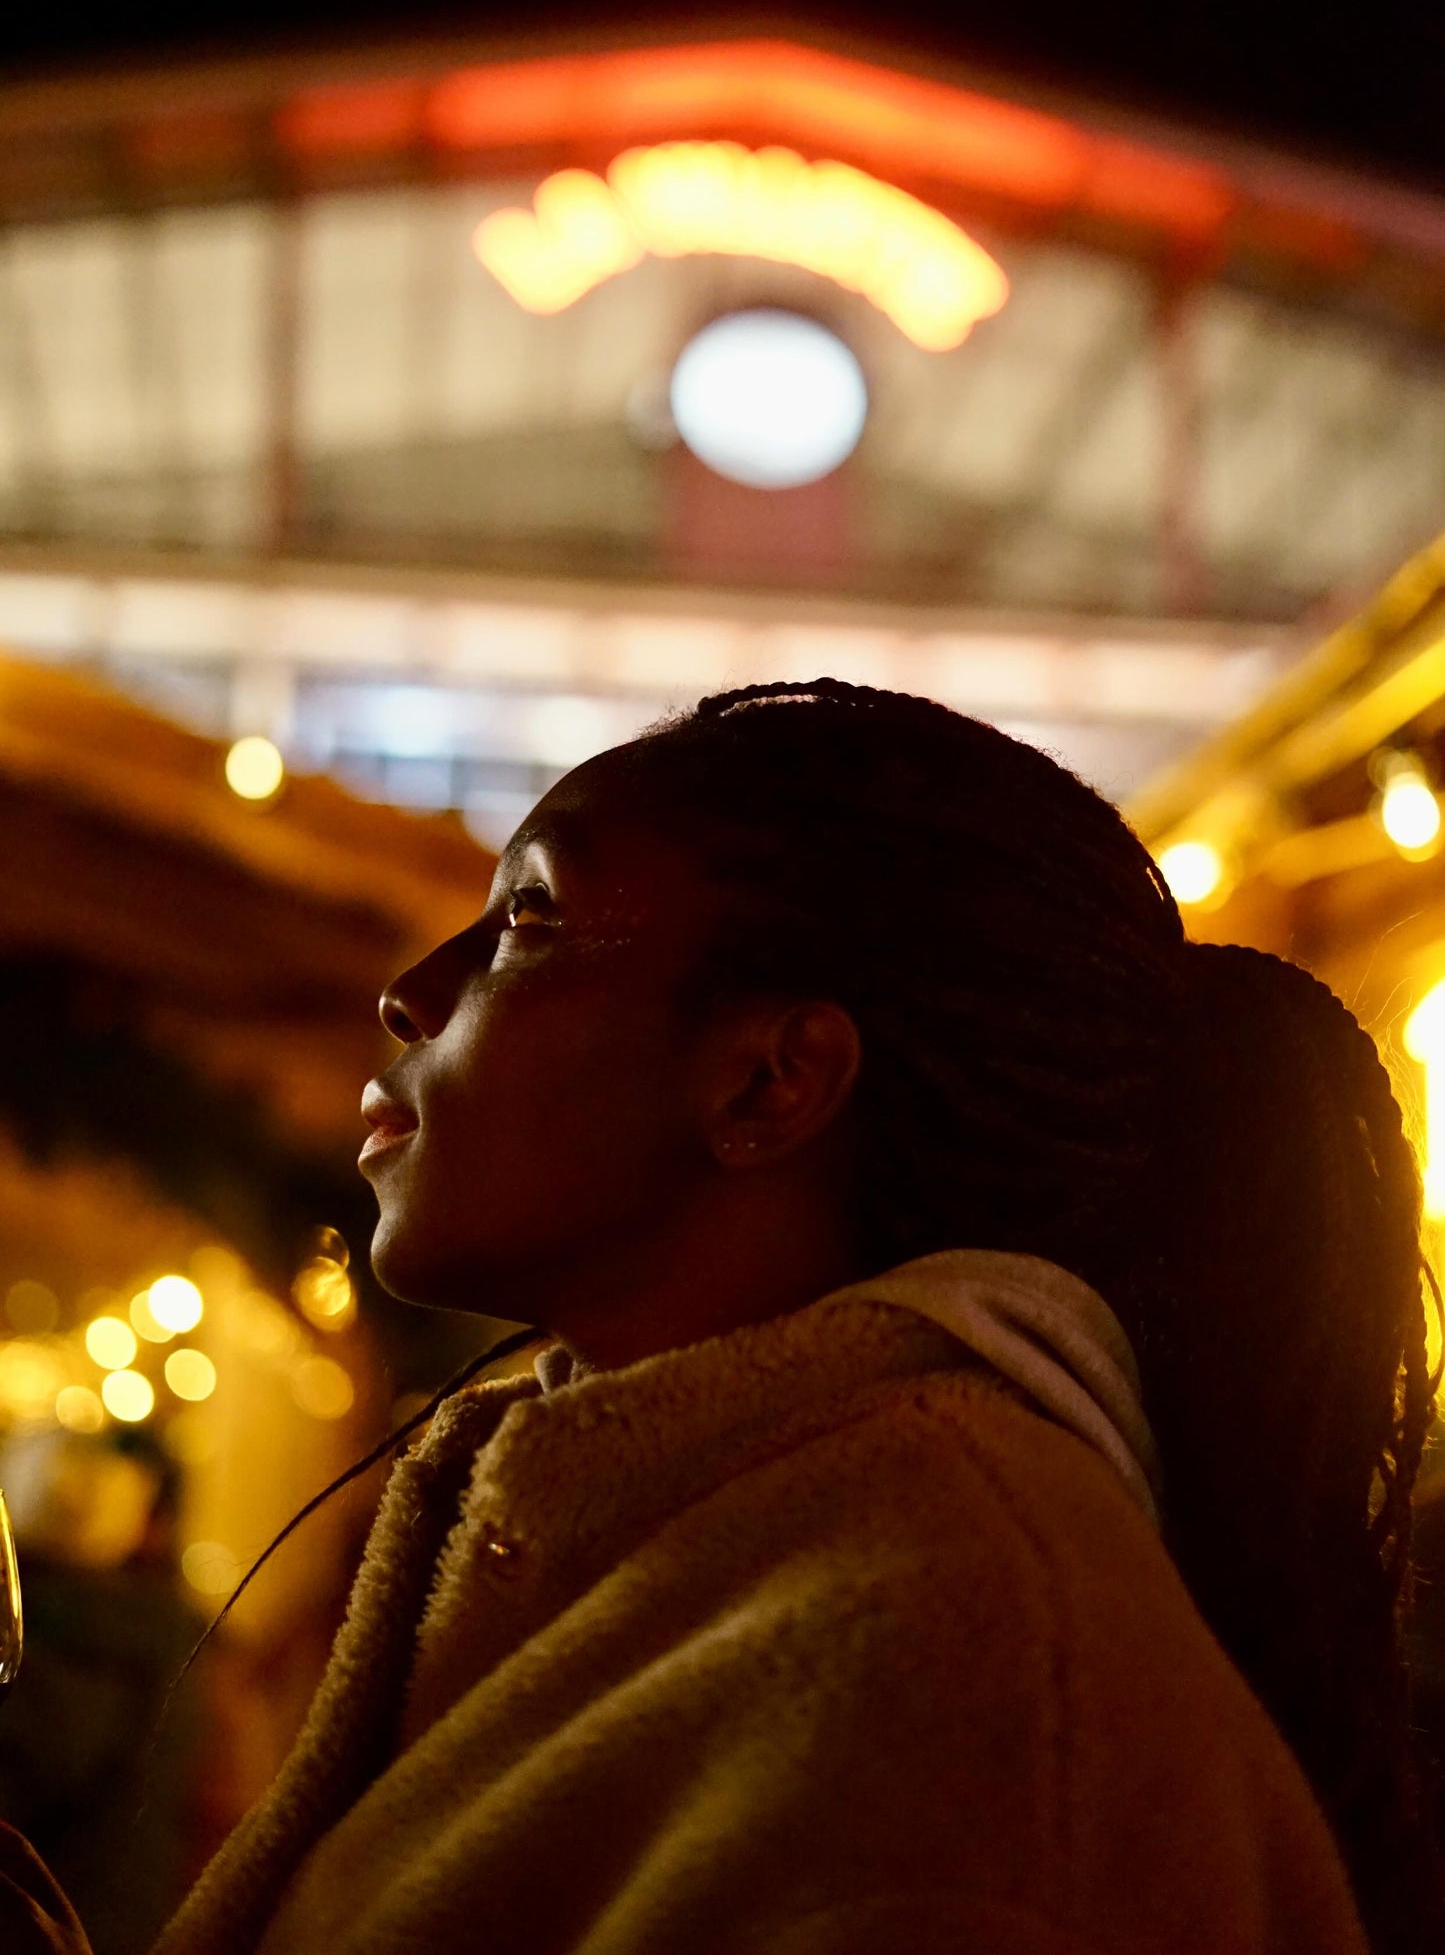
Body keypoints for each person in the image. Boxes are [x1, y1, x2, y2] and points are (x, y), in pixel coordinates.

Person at [3, 679, 1439, 1953]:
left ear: (769, 1081)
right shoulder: (716, 1550)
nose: (409, 991)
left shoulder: (957, 1703)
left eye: (528, 919)